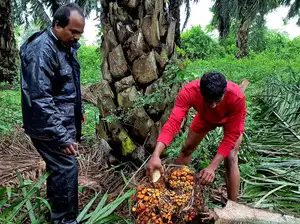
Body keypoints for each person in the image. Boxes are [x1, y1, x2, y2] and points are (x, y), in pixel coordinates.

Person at [20, 3, 85, 224]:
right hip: (47, 125)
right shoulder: (42, 49)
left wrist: (79, 110)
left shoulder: (63, 45)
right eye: (73, 32)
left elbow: (68, 82)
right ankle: (65, 221)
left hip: (58, 120)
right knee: (67, 167)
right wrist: (61, 135)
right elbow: (40, 98)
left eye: (79, 33)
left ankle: (57, 216)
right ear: (57, 25)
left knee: (59, 169)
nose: (77, 37)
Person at [147, 72, 247, 202]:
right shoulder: (189, 91)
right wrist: (156, 154)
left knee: (231, 156)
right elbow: (173, 123)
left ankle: (233, 206)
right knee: (187, 148)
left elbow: (231, 136)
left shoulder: (236, 97)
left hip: (231, 119)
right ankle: (176, 196)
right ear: (201, 92)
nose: (213, 105)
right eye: (209, 101)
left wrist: (212, 167)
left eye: (218, 101)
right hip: (205, 117)